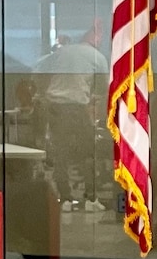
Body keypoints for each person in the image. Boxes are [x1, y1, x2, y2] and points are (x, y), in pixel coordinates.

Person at [34, 30, 109, 208]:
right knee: (88, 152)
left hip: (55, 107)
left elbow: (39, 70)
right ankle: (91, 198)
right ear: (94, 38)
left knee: (61, 154)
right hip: (76, 107)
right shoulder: (97, 57)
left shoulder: (62, 52)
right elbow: (104, 89)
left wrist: (43, 95)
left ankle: (65, 198)